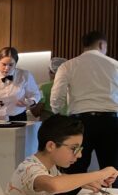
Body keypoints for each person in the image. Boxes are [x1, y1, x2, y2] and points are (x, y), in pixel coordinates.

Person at [4, 115, 118, 195]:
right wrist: (100, 173)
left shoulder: (49, 166)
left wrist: (86, 182)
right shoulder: (29, 168)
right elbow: (54, 185)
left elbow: (61, 178)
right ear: (51, 146)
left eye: (80, 149)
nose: (79, 155)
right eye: (74, 148)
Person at [50, 31, 118, 179]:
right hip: (110, 122)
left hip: (79, 123)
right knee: (112, 169)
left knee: (76, 167)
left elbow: (56, 98)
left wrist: (59, 113)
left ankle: (74, 194)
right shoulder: (115, 65)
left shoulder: (68, 66)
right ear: (102, 44)